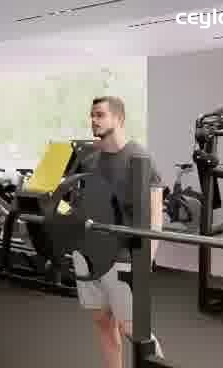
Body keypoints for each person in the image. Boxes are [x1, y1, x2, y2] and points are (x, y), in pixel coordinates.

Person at [73, 96, 165, 368]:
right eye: (92, 115)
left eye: (100, 115)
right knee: (102, 321)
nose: (94, 120)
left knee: (133, 328)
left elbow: (155, 217)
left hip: (123, 256)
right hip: (89, 254)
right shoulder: (90, 160)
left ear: (119, 118)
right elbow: (81, 204)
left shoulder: (140, 157)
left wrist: (147, 258)